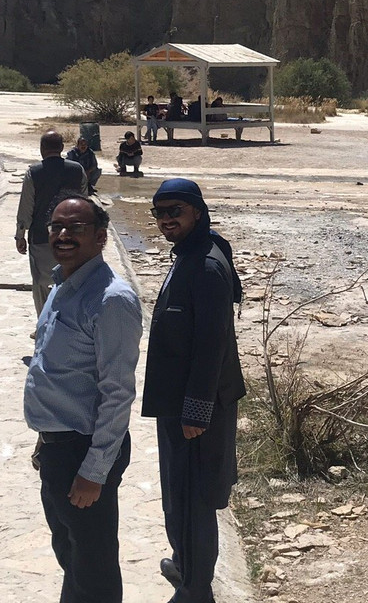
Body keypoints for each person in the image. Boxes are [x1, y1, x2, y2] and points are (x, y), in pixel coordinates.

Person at [24, 193, 143, 603]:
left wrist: (95, 471)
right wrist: (44, 438)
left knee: (93, 566)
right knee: (70, 552)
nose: (63, 235)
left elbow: (117, 393)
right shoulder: (63, 283)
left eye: (76, 228)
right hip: (58, 446)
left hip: (85, 451)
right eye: (57, 226)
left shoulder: (110, 299)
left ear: (100, 236)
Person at [142, 179, 245, 603]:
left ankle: (196, 589)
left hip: (195, 406)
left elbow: (211, 344)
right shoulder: (194, 251)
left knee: (192, 498)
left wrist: (195, 412)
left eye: (176, 211)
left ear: (197, 212)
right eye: (160, 212)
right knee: (178, 493)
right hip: (180, 400)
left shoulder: (204, 266)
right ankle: (185, 563)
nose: (167, 219)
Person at [16, 131, 87, 314]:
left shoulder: (33, 173)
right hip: (73, 237)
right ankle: (66, 322)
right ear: (62, 148)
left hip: (41, 237)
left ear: (42, 149)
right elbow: (84, 204)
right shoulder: (77, 170)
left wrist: (20, 235)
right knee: (71, 281)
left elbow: (26, 207)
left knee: (40, 284)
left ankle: (43, 323)